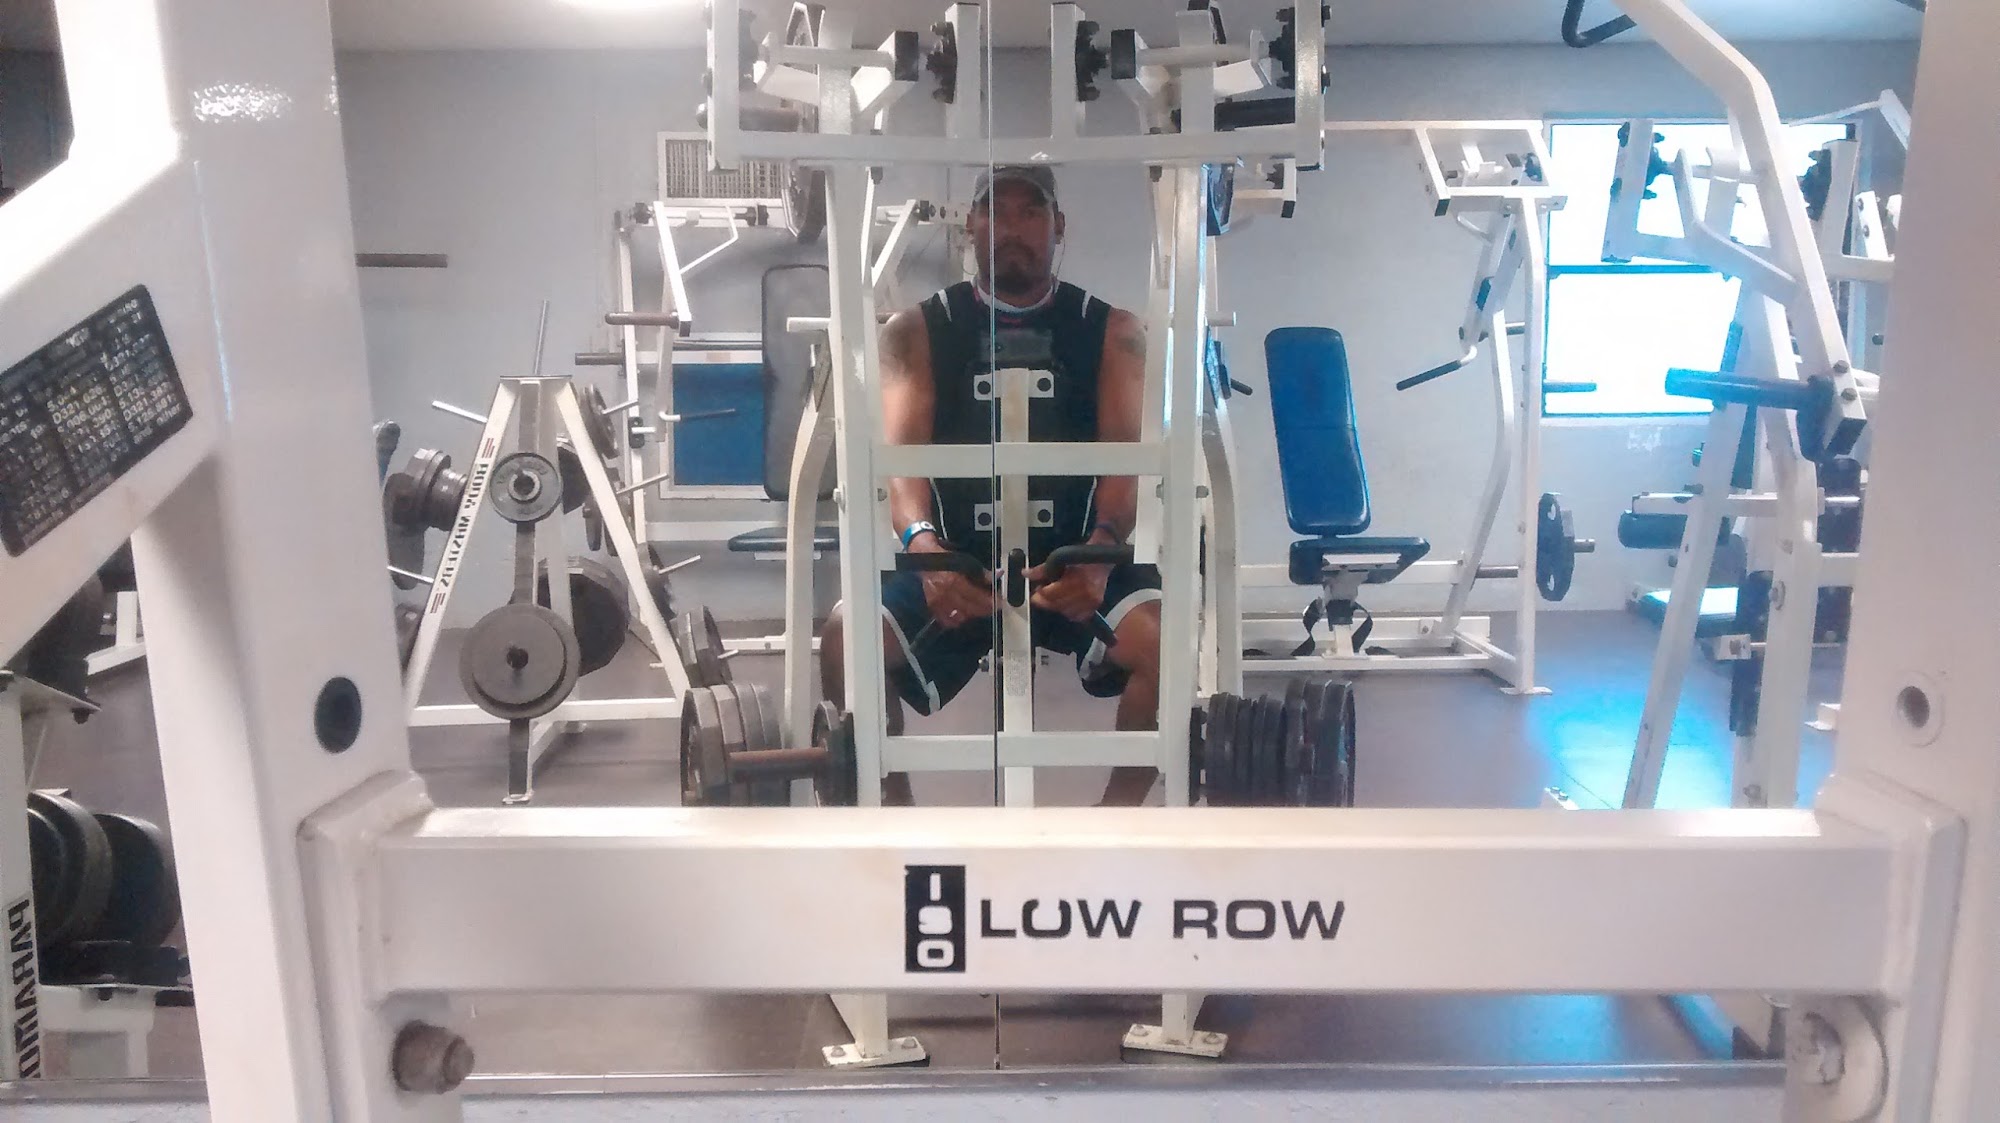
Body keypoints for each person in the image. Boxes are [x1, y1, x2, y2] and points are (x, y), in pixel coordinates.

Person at [820, 165, 1162, 807]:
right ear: (971, 227)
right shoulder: (916, 332)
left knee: (1169, 643)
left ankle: (1114, 824)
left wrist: (1099, 553)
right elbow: (901, 464)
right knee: (846, 638)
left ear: (1059, 226)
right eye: (995, 213)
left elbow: (1126, 467)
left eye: (1030, 213)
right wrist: (925, 552)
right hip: (959, 567)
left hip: (1072, 565)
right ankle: (893, 823)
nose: (1012, 229)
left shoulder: (1114, 332)